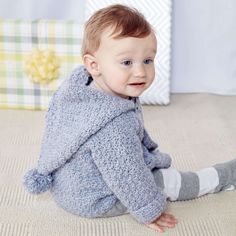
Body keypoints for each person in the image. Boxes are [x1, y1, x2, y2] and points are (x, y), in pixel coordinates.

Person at [22, 4, 236, 233]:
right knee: (167, 181)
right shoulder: (113, 126)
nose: (140, 72)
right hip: (96, 199)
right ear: (93, 65)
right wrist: (149, 210)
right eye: (127, 62)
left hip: (67, 188)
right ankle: (221, 176)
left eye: (148, 60)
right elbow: (128, 175)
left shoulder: (79, 88)